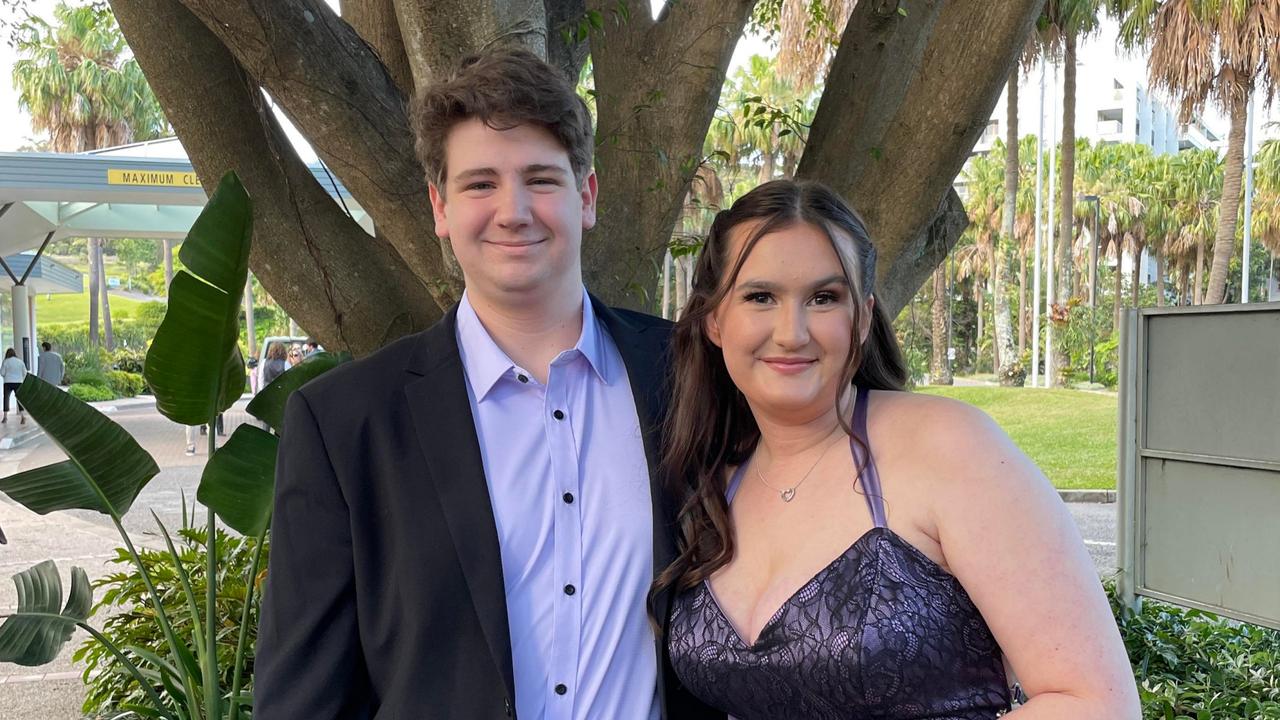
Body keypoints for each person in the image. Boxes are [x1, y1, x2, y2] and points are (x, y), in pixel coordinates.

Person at [255, 48, 721, 720]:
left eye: (540, 179)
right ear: (440, 208)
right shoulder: (344, 424)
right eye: (480, 185)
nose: (513, 211)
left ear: (585, 197)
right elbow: (303, 699)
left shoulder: (690, 374)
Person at [657, 180, 1140, 719]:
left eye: (824, 298)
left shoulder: (949, 448)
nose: (791, 333)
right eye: (760, 297)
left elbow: (1096, 703)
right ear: (715, 321)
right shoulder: (712, 481)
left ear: (861, 318)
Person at [1, 348, 27, 425]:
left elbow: (2, 373)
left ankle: (5, 417)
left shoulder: (6, 361)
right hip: (18, 382)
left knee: (6, 399)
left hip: (8, 382)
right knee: (19, 400)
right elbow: (24, 373)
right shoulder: (20, 362)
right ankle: (23, 417)